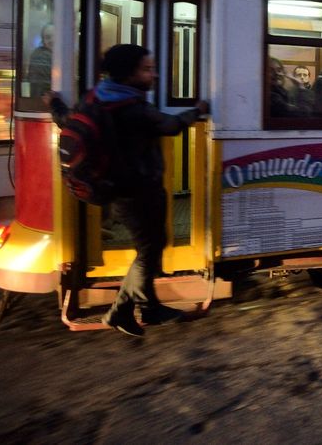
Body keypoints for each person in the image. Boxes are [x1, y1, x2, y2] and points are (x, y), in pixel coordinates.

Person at [44, 44, 209, 337]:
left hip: (116, 189)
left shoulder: (95, 97)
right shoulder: (132, 108)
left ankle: (146, 307)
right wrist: (197, 111)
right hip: (139, 190)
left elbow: (66, 120)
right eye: (147, 69)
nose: (154, 75)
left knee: (152, 245)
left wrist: (54, 104)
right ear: (129, 74)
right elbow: (170, 125)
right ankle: (122, 311)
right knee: (150, 249)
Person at [27, 24, 54, 98]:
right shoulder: (39, 56)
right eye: (48, 37)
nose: (52, 40)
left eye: (55, 36)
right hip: (42, 101)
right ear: (43, 40)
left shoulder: (60, 55)